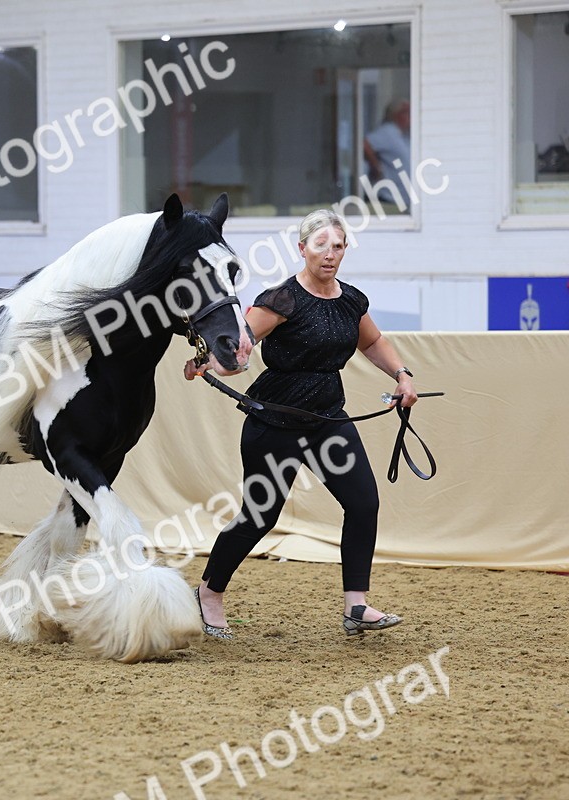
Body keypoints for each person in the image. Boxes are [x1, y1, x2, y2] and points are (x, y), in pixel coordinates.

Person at [186, 209, 417, 639]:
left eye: (339, 246)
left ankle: (356, 606)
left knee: (364, 503)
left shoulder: (351, 301)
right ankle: (209, 592)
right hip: (275, 421)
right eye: (321, 246)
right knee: (260, 515)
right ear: (302, 249)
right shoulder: (282, 298)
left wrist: (403, 376)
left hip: (328, 418)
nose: (331, 255)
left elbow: (374, 342)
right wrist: (208, 362)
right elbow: (240, 347)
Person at [363, 99, 411, 208]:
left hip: (403, 201)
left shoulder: (406, 135)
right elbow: (364, 144)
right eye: (407, 112)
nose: (411, 116)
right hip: (388, 198)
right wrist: (375, 166)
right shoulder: (388, 131)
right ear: (397, 115)